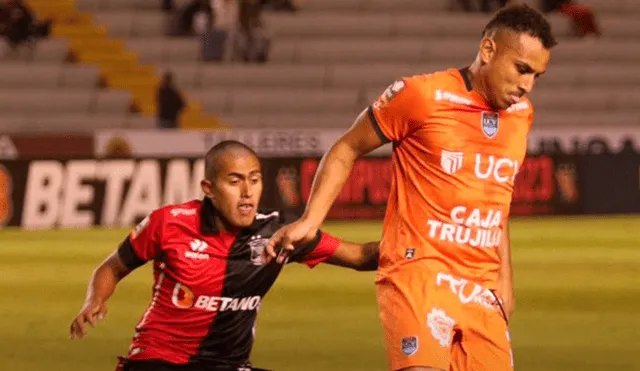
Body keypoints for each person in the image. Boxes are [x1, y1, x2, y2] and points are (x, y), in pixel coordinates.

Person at [266, 4, 556, 371]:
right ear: (488, 50)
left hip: (481, 290)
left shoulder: (521, 115)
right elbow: (347, 147)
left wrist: (505, 279)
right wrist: (310, 221)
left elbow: (496, 199)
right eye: (522, 69)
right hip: (420, 275)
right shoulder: (420, 95)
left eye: (537, 76)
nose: (527, 85)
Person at [69, 140, 379, 371]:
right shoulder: (169, 223)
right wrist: (94, 300)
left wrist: (422, 242)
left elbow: (362, 257)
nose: (247, 191)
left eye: (254, 179)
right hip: (158, 361)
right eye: (234, 181)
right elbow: (113, 267)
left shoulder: (280, 235)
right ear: (209, 188)